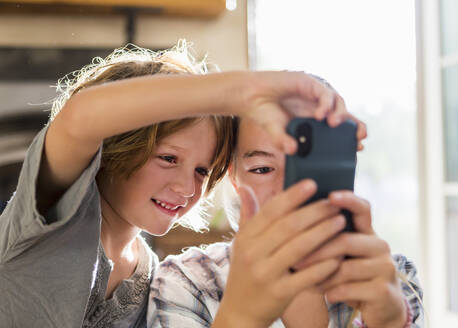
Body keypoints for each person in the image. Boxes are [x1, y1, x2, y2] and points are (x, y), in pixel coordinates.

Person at [0, 41, 350, 327]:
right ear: (114, 143)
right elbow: (79, 116)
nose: (187, 188)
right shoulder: (48, 218)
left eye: (202, 170)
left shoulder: (153, 277)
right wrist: (237, 92)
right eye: (168, 158)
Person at [147, 117, 424, 327]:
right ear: (234, 178)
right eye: (263, 169)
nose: (287, 190)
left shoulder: (393, 279)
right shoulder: (187, 284)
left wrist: (390, 322)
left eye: (307, 167)